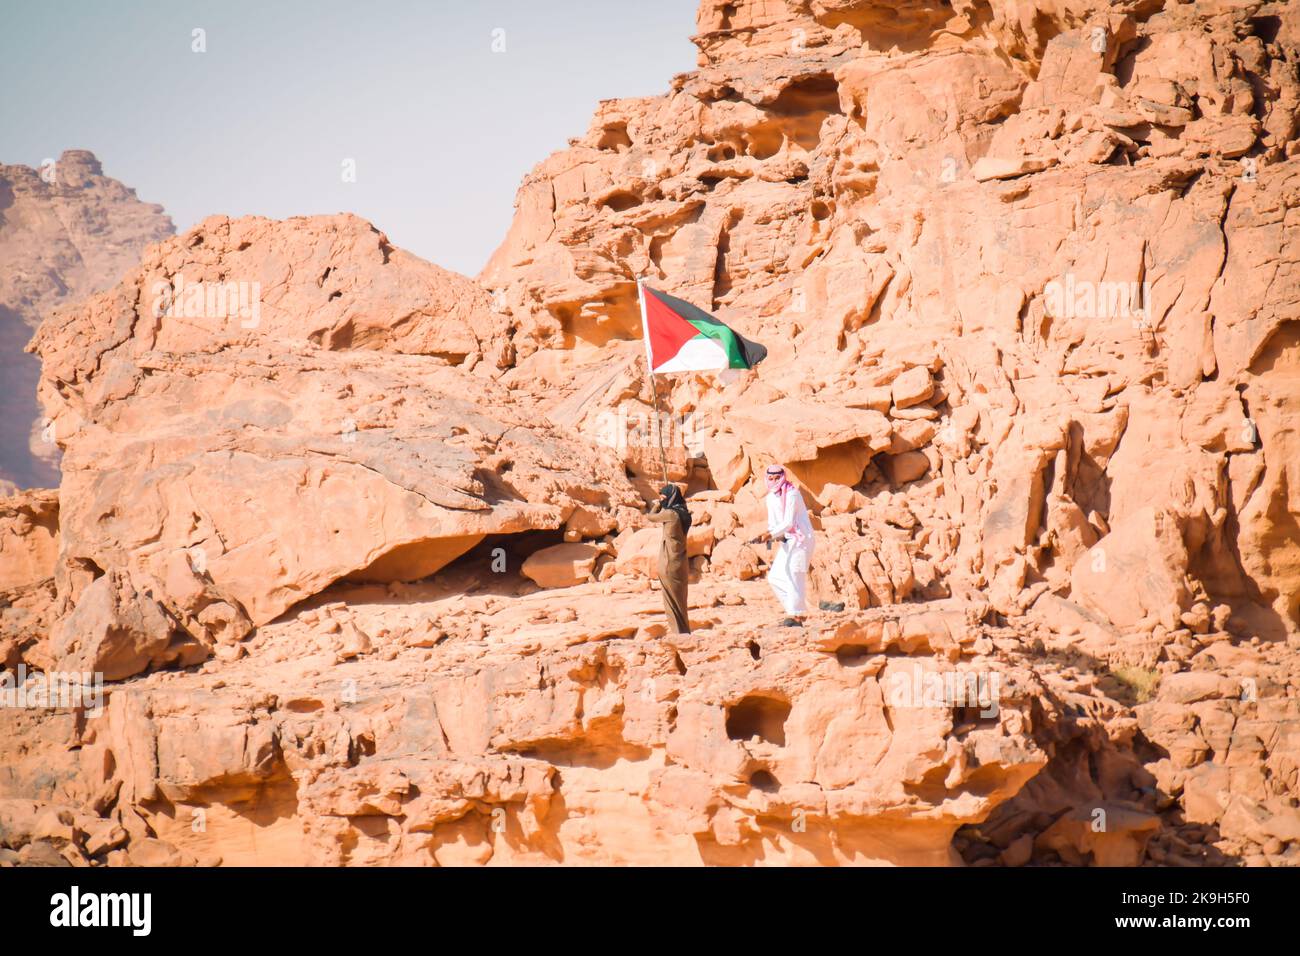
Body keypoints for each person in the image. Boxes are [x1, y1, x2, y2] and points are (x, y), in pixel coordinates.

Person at [754, 465, 815, 626]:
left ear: (782, 477)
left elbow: (788, 522)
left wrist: (770, 535)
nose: (774, 482)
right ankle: (796, 612)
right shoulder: (770, 498)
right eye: (771, 479)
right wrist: (767, 535)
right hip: (788, 541)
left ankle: (797, 616)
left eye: (776, 478)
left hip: (802, 540)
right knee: (775, 577)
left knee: (795, 575)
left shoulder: (792, 493)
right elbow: (775, 524)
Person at [647, 483, 692, 634]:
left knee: (671, 603)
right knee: (681, 602)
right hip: (681, 563)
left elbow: (651, 517)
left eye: (664, 497)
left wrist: (658, 504)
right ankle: (685, 633)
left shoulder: (670, 514)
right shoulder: (684, 512)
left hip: (669, 562)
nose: (662, 499)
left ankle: (677, 635)